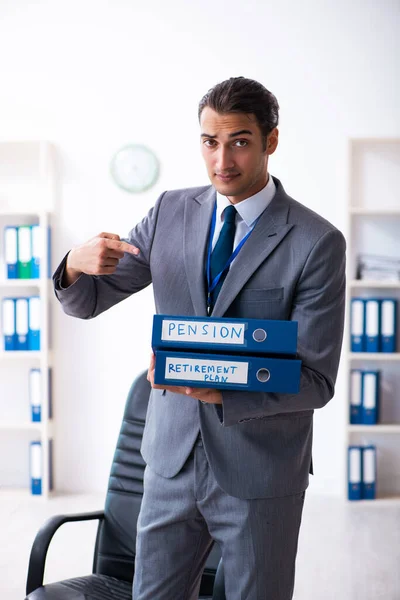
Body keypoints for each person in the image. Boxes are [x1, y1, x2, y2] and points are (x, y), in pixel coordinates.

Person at [53, 76, 346, 600]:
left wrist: (227, 388)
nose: (222, 161)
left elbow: (317, 380)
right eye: (211, 142)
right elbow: (92, 299)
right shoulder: (170, 212)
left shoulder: (316, 241)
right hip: (170, 461)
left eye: (239, 141)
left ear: (270, 142)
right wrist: (74, 266)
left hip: (261, 469)